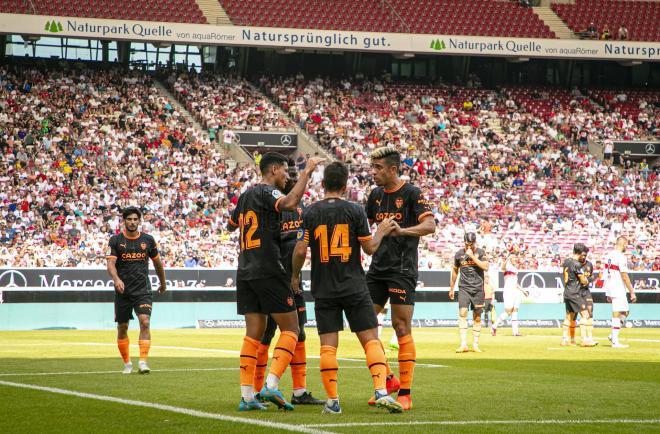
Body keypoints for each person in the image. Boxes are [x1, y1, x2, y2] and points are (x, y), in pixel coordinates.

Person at [291, 161, 402, 414]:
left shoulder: (309, 212)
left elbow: (299, 250)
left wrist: (295, 276)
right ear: (344, 185)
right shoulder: (354, 211)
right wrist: (382, 230)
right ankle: (381, 391)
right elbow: (370, 248)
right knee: (370, 340)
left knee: (328, 346)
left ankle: (332, 401)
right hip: (354, 285)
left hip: (324, 288)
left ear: (322, 184)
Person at [227, 152, 324, 411]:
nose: (286, 176)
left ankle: (247, 397)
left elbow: (231, 224)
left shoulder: (246, 195)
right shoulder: (266, 192)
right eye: (284, 171)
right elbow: (291, 202)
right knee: (292, 329)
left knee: (253, 335)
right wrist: (307, 172)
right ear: (272, 169)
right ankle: (271, 384)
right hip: (268, 268)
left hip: (245, 269)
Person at [365, 147, 435, 411]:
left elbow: (430, 226)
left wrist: (403, 231)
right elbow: (365, 227)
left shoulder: (412, 194)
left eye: (378, 168)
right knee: (365, 324)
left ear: (393, 169)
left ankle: (405, 393)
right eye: (373, 168)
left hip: (402, 269)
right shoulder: (374, 196)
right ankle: (388, 380)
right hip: (377, 268)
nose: (374, 173)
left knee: (400, 326)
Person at [253, 163, 324, 406]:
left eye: (295, 176)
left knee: (299, 333)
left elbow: (305, 247)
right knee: (267, 333)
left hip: (293, 280)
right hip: (276, 277)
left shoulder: (303, 211)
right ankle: (257, 390)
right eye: (289, 175)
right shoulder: (274, 208)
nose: (291, 179)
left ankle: (299, 391)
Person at [106, 207, 166, 375]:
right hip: (123, 291)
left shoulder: (148, 240)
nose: (132, 222)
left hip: (143, 290)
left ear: (139, 221)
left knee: (145, 322)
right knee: (123, 327)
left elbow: (157, 263)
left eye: (135, 219)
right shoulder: (115, 240)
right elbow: (110, 264)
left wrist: (163, 283)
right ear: (124, 221)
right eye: (129, 219)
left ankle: (143, 362)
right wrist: (116, 279)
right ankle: (127, 364)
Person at [449, 232, 489, 353]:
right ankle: (463, 344)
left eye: (471, 244)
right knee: (462, 313)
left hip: (478, 289)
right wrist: (451, 288)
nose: (469, 247)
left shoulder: (481, 253)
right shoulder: (459, 254)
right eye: (467, 244)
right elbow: (455, 271)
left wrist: (472, 256)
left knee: (477, 317)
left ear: (475, 243)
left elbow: (486, 267)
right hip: (464, 288)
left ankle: (475, 344)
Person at [601, 237, 637, 348]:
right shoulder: (621, 257)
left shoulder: (609, 256)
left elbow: (605, 273)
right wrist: (632, 291)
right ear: (624, 244)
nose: (627, 247)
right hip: (618, 288)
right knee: (616, 313)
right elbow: (624, 276)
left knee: (625, 312)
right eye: (627, 245)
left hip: (611, 287)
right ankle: (615, 342)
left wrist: (607, 292)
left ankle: (613, 335)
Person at [561, 244, 596, 347]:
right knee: (585, 315)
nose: (584, 257)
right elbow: (583, 281)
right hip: (575, 293)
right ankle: (584, 340)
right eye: (583, 254)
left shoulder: (566, 262)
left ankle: (564, 340)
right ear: (580, 253)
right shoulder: (577, 264)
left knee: (569, 316)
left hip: (567, 292)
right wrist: (588, 279)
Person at [492, 249, 527, 336]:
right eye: (514, 257)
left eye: (516, 257)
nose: (516, 259)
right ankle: (494, 326)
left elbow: (515, 282)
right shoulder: (507, 266)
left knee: (515, 311)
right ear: (511, 258)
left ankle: (515, 332)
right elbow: (502, 268)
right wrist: (508, 258)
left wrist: (523, 290)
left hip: (516, 291)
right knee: (508, 312)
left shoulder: (515, 268)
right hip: (508, 291)